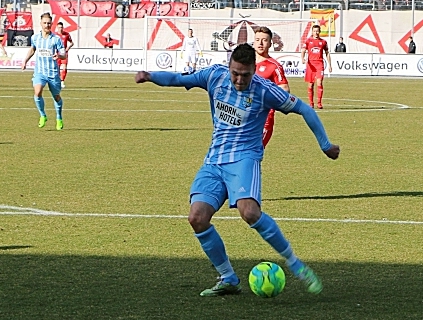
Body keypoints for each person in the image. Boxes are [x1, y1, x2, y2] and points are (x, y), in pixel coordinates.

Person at [134, 43, 340, 296]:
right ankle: (228, 278)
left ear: (254, 69)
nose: (239, 79)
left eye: (245, 74)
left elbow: (304, 109)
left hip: (245, 158)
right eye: (235, 73)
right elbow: (178, 78)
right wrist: (151, 76)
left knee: (250, 212)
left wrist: (325, 144)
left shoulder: (265, 91)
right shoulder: (214, 76)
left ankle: (295, 264)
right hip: (214, 160)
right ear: (229, 67)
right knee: (197, 218)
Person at [21, 12, 65, 130]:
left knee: (56, 96)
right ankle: (42, 115)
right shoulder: (35, 38)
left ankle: (59, 117)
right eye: (45, 23)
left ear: (51, 24)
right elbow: (32, 49)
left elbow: (63, 54)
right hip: (40, 72)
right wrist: (25, 60)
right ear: (41, 23)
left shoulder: (56, 39)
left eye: (49, 23)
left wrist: (59, 56)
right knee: (37, 92)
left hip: (52, 73)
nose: (47, 25)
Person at [253, 26, 289, 147]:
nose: (260, 43)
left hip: (263, 120)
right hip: (243, 118)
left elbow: (285, 89)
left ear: (270, 43)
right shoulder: (245, 63)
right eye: (257, 39)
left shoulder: (274, 66)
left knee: (252, 154)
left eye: (264, 40)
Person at [300, 24, 331, 109]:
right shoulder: (308, 41)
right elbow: (303, 50)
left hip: (319, 64)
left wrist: (329, 64)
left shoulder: (323, 42)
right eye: (314, 31)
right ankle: (311, 103)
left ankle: (319, 103)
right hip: (310, 65)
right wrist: (302, 59)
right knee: (310, 85)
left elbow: (327, 53)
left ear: (319, 32)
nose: (316, 33)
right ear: (312, 32)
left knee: (319, 82)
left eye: (317, 31)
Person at [54, 21, 74, 86]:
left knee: (64, 67)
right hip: (57, 53)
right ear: (57, 27)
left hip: (64, 54)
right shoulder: (55, 35)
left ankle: (62, 81)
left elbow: (71, 43)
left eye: (61, 27)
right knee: (57, 68)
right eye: (59, 27)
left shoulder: (66, 35)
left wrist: (67, 49)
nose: (60, 29)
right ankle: (57, 81)